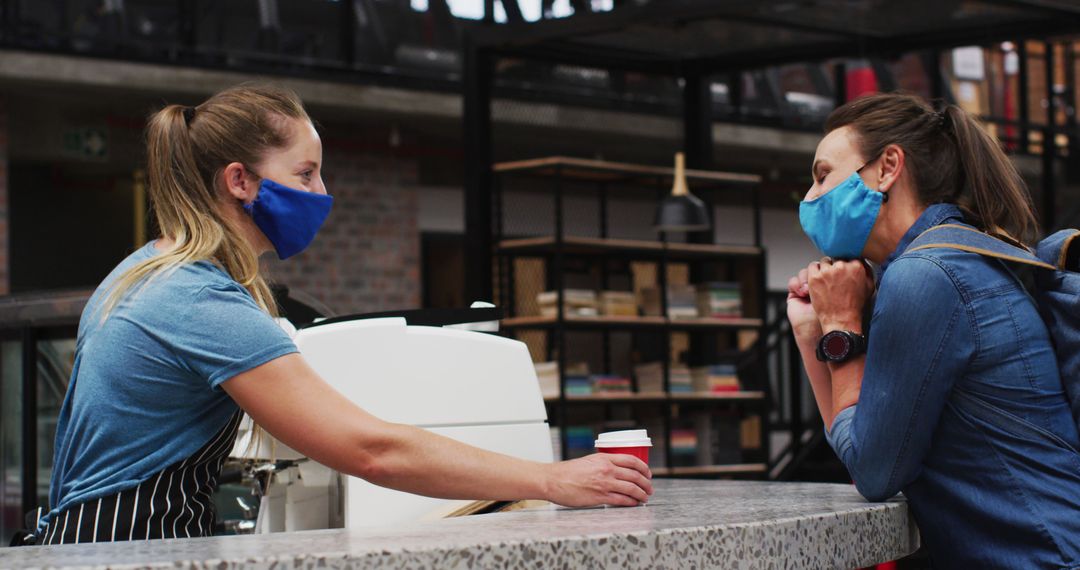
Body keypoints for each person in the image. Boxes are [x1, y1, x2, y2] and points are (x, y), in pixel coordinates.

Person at [31, 84, 652, 545]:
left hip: (96, 541)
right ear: (240, 181)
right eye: (305, 173)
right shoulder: (196, 298)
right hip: (127, 546)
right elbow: (371, 450)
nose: (322, 195)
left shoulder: (145, 268)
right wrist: (552, 480)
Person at [787, 92, 1080, 567]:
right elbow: (861, 444)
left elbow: (875, 472)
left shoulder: (926, 276)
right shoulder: (958, 257)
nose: (810, 198)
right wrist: (811, 333)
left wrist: (840, 325)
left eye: (823, 176)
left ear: (888, 167)